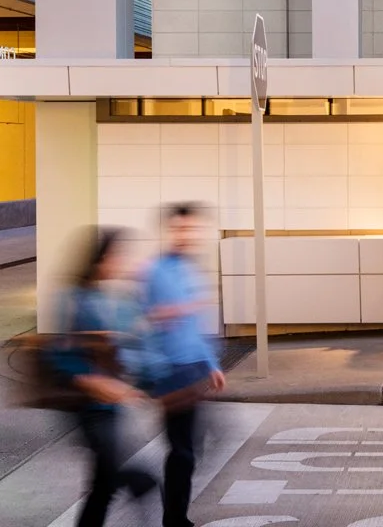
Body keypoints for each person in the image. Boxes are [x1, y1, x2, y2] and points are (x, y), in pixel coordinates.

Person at [54, 228, 156, 527]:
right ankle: (143, 483)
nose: (121, 261)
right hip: (86, 405)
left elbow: (128, 348)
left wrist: (139, 381)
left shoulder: (112, 297)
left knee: (102, 485)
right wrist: (88, 379)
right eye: (115, 255)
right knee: (114, 474)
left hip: (110, 404)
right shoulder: (72, 298)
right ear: (98, 259)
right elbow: (57, 353)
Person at [142, 204, 227, 526]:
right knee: (182, 452)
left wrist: (211, 364)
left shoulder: (190, 269)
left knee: (191, 449)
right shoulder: (154, 270)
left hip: (193, 368)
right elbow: (145, 326)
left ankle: (175, 514)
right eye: (179, 229)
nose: (186, 234)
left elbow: (194, 323)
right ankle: (175, 519)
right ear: (168, 231)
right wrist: (155, 376)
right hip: (171, 371)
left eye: (190, 229)